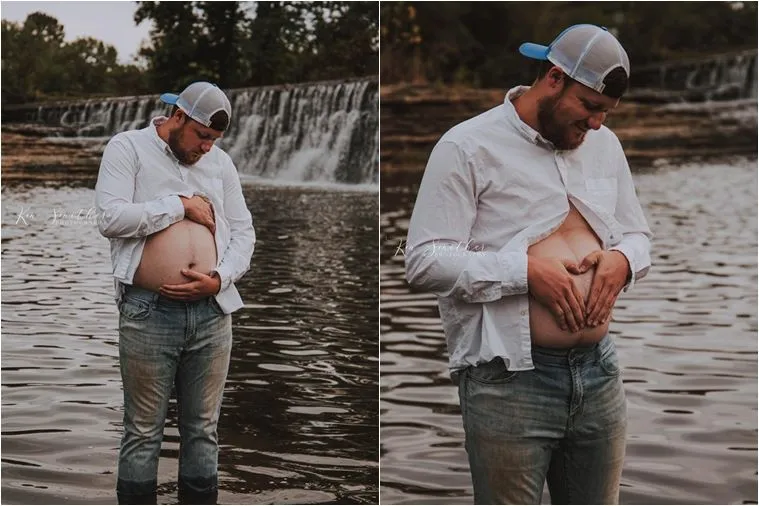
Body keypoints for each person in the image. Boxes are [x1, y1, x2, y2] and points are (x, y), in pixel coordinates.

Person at [405, 24, 653, 504]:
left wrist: (623, 260)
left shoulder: (605, 145)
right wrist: (526, 272)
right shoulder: (466, 147)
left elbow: (638, 233)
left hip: (599, 373)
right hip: (509, 381)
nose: (598, 124)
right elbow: (423, 260)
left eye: (606, 112)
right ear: (555, 78)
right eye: (590, 107)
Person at [95, 81, 256, 505]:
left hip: (213, 313)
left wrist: (220, 278)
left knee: (203, 430)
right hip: (149, 313)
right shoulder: (127, 148)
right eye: (202, 136)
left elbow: (244, 232)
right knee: (143, 430)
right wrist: (179, 205)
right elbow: (110, 217)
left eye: (215, 140)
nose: (207, 147)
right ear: (179, 117)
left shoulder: (220, 163)